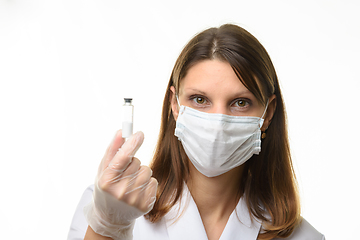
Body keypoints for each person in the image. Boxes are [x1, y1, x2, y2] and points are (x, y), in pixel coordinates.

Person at [68, 24, 325, 240]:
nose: (217, 124)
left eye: (240, 102)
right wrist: (107, 227)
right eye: (200, 100)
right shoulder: (105, 207)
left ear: (267, 114)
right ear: (175, 106)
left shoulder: (303, 237)